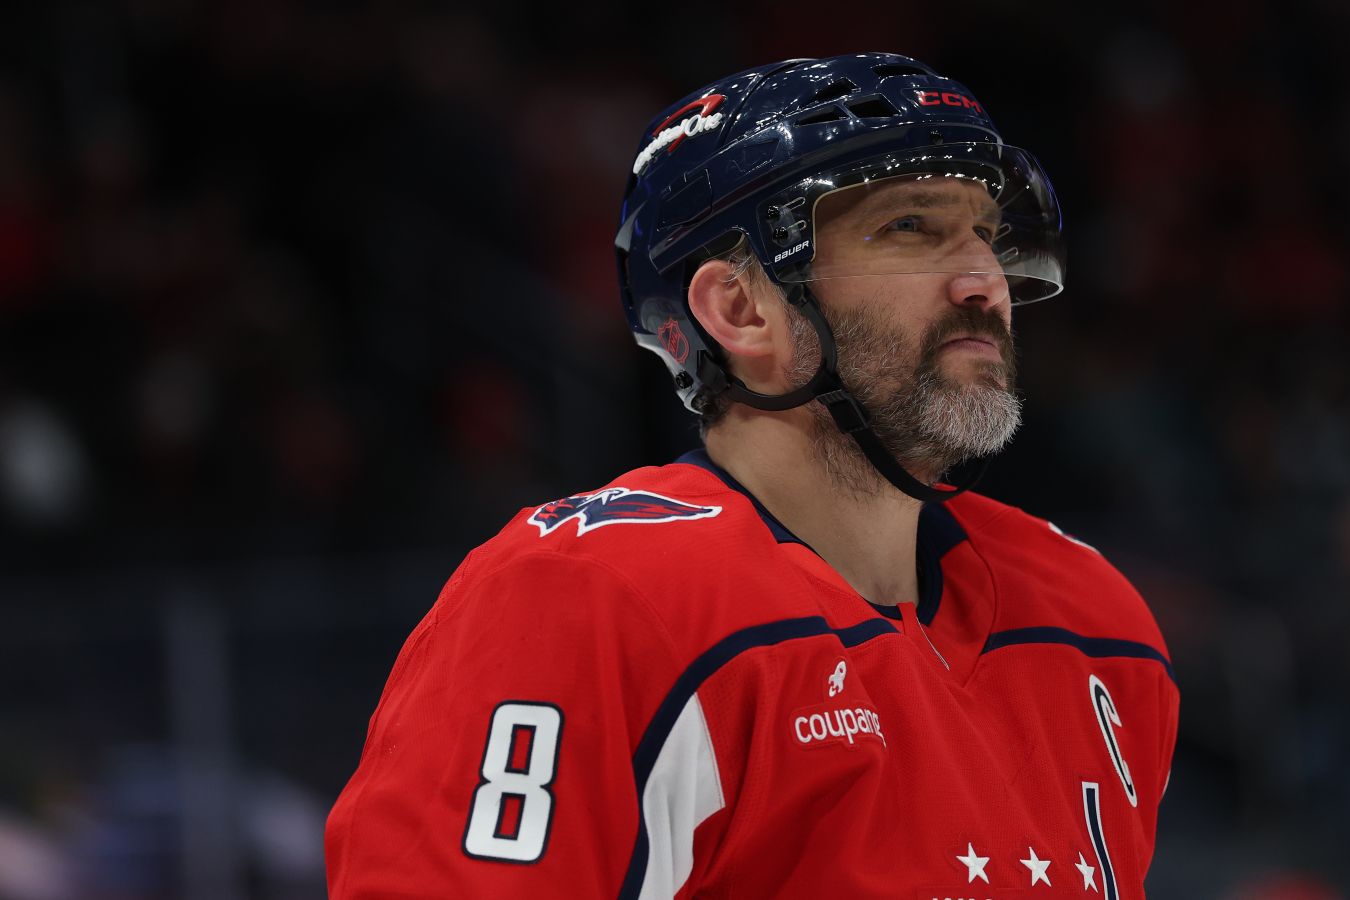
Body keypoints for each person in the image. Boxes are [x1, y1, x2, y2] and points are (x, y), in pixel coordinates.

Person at [326, 52, 1179, 898]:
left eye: (985, 234)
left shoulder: (1093, 624)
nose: (984, 281)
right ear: (740, 309)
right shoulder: (594, 600)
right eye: (911, 228)